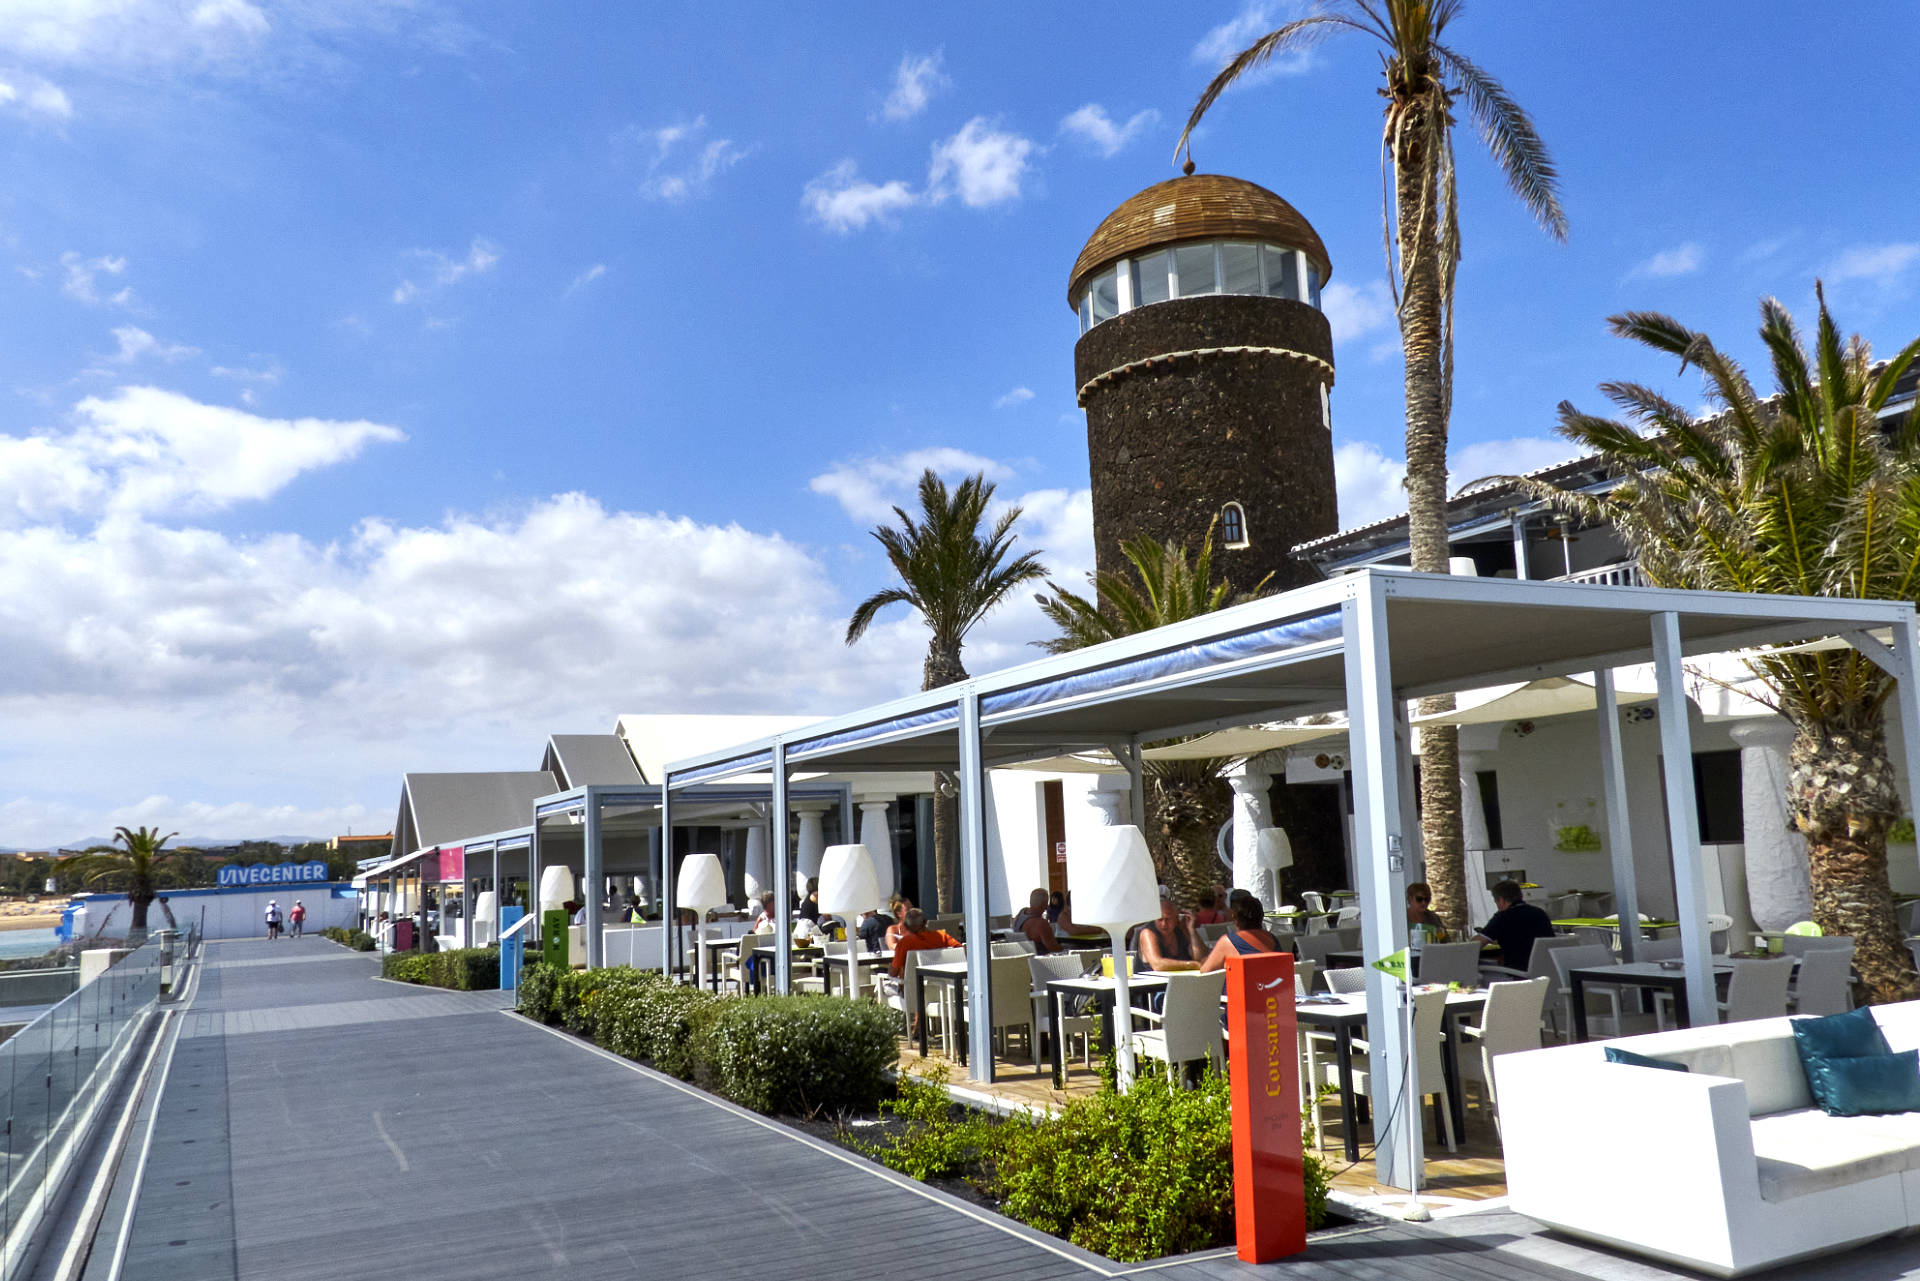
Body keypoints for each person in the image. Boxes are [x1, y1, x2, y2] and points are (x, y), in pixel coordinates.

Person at [1474, 880, 1556, 970]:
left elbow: (1474, 946)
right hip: (1547, 972)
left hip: (1518, 974)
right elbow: (1525, 937)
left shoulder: (1503, 917)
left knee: (1480, 973)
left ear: (1501, 900)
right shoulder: (1540, 913)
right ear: (1521, 896)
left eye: (1496, 902)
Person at [1199, 894, 1282, 972]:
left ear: (1236, 920)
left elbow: (1205, 971)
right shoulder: (1273, 940)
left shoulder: (1228, 941)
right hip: (1270, 986)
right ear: (1261, 917)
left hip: (1241, 987)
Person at [1135, 890, 1201, 972]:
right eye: (1160, 919)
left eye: (1168, 919)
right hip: (1154, 984)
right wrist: (1191, 965)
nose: (1164, 924)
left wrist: (1192, 930)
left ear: (1176, 917)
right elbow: (1158, 965)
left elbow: (1200, 957)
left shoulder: (1181, 930)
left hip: (1180, 981)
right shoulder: (1147, 933)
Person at [887, 908, 962, 980]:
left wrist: (890, 966)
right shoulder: (942, 936)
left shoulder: (905, 943)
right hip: (941, 986)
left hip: (911, 989)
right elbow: (960, 950)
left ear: (906, 926)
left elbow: (893, 973)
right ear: (925, 922)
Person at [1012, 888, 1061, 954]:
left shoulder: (1022, 912)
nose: (1047, 906)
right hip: (1042, 960)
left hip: (1021, 956)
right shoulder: (1041, 923)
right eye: (1047, 903)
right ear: (1043, 904)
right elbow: (1053, 948)